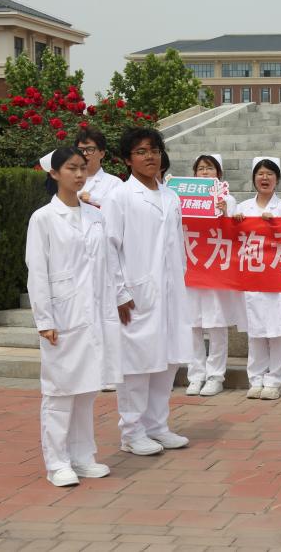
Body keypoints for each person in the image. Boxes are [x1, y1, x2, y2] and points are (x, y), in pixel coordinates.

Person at [26, 147, 121, 487]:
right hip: (63, 316)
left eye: (83, 168)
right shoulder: (43, 218)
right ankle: (56, 462)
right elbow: (37, 272)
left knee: (87, 389)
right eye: (71, 168)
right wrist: (45, 320)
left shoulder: (95, 216)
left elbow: (107, 266)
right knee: (60, 391)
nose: (80, 174)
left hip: (94, 314)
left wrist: (116, 303)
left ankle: (83, 457)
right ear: (54, 173)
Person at [104, 128, 192, 456]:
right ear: (128, 160)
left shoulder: (170, 196)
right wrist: (119, 292)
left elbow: (177, 245)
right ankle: (131, 431)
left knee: (167, 361)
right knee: (136, 365)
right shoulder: (120, 197)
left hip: (170, 292)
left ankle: (157, 426)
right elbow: (109, 248)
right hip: (136, 294)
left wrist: (180, 280)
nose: (150, 156)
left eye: (154, 150)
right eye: (141, 151)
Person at [234, 157, 281, 400]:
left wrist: (276, 225)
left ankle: (275, 381)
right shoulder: (243, 208)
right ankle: (256, 378)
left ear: (277, 179)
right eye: (260, 174)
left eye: (270, 174)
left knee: (278, 331)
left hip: (278, 278)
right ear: (253, 179)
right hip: (252, 278)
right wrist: (234, 222)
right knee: (256, 330)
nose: (265, 178)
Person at [185, 154, 240, 397]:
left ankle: (215, 376)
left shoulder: (228, 199)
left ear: (219, 173)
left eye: (209, 168)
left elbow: (236, 231)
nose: (205, 172)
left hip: (216, 269)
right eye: (200, 169)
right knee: (192, 325)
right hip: (192, 268)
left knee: (216, 324)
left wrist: (226, 213)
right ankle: (195, 375)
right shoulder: (183, 199)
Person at [76, 127, 122, 208]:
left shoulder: (114, 183)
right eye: (80, 150)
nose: (84, 153)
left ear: (102, 154)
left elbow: (120, 210)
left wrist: (93, 200)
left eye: (90, 149)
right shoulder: (68, 181)